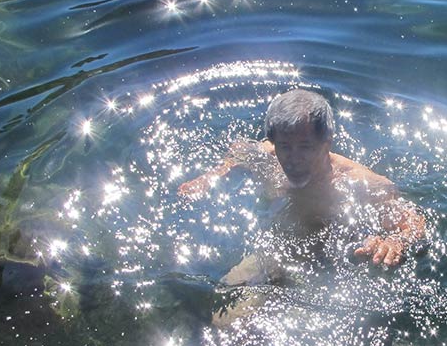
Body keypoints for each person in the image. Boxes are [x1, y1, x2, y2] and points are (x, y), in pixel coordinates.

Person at [178, 88, 426, 281]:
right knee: (223, 312)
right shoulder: (268, 156)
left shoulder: (357, 181)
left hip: (327, 263)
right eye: (285, 147)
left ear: (326, 144)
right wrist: (212, 176)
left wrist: (397, 242)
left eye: (305, 147)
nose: (293, 159)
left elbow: (413, 222)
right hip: (274, 249)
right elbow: (240, 151)